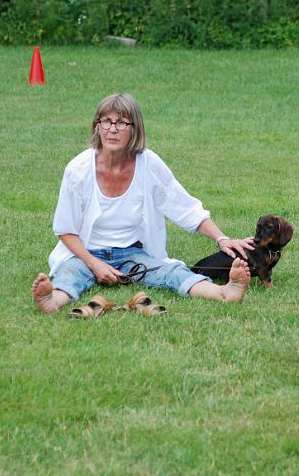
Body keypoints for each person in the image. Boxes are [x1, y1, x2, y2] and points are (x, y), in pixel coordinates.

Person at [31, 93, 253, 313]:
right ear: (97, 127)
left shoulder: (149, 164)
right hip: (86, 251)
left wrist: (221, 238)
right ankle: (52, 300)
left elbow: (184, 207)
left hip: (133, 254)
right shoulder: (77, 170)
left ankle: (225, 292)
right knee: (71, 273)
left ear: (134, 129)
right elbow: (65, 229)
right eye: (106, 121)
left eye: (121, 122)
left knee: (171, 271)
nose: (113, 129)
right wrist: (94, 263)